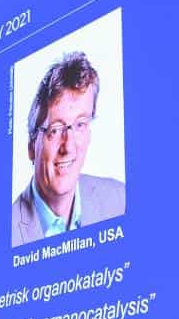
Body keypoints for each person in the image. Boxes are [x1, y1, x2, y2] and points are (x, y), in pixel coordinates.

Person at [12, 51, 125, 247]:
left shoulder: (120, 199)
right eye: (55, 130)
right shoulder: (9, 232)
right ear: (31, 146)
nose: (69, 146)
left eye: (80, 124)